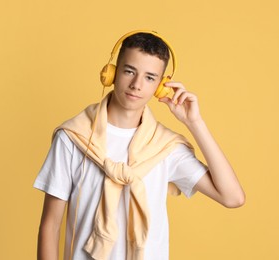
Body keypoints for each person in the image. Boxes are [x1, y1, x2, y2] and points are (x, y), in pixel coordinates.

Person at [33, 31, 245, 260]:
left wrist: (194, 123)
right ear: (111, 73)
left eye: (150, 78)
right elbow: (50, 226)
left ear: (160, 87)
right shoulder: (73, 137)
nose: (136, 85)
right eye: (129, 71)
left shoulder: (164, 147)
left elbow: (232, 197)